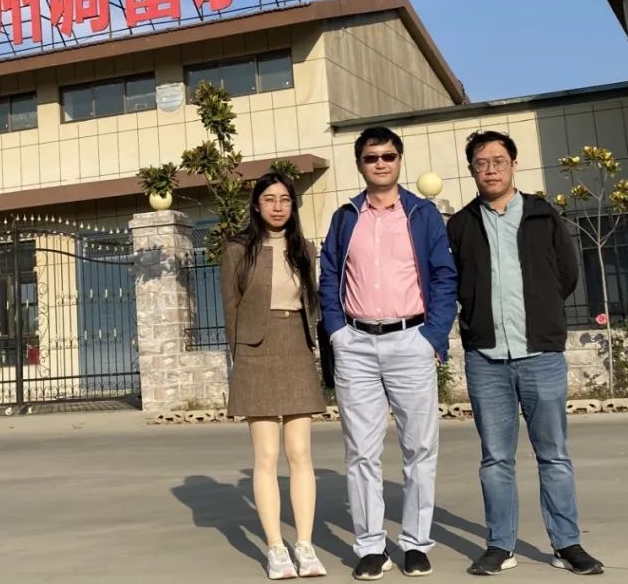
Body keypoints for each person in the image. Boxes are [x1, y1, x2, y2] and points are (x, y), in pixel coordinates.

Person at [446, 130, 605, 576]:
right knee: (495, 459)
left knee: (553, 455)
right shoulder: (461, 225)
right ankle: (500, 545)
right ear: (472, 170)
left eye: (498, 161)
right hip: (486, 358)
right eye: (481, 163)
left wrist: (541, 309)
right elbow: (453, 281)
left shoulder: (542, 215)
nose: (490, 169)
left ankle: (567, 543)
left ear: (513, 165)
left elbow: (567, 274)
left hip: (540, 354)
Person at [319, 126, 458, 580]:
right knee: (361, 451)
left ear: (400, 160)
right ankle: (370, 547)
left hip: (411, 340)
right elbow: (329, 275)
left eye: (388, 156)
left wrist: (432, 336)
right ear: (359, 164)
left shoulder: (423, 214)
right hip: (356, 344)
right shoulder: (345, 217)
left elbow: (444, 276)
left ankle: (416, 543)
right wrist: (337, 331)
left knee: (419, 447)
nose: (380, 163)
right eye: (371, 157)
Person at [221, 171, 328, 580]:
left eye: (285, 199)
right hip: (255, 351)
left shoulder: (305, 249)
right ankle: (275, 548)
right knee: (265, 456)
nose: (278, 206)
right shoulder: (237, 249)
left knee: (300, 453)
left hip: (296, 347)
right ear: (256, 204)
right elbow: (230, 307)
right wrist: (240, 358)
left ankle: (305, 544)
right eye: (269, 199)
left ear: (293, 205)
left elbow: (312, 302)